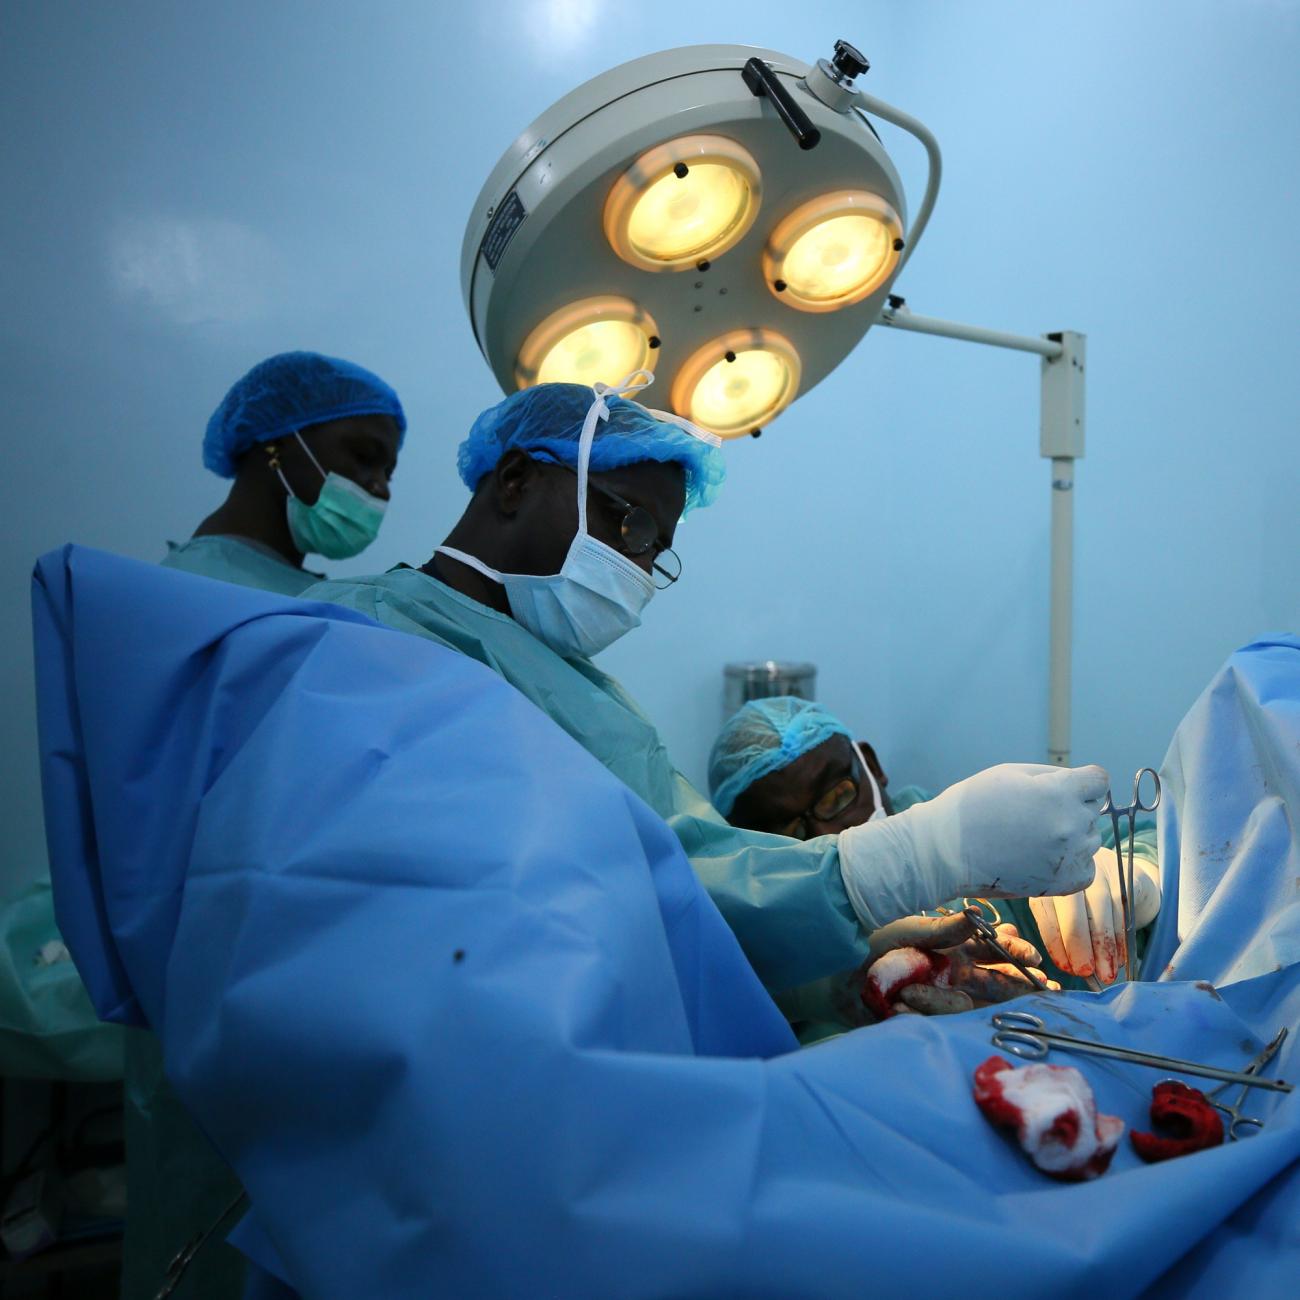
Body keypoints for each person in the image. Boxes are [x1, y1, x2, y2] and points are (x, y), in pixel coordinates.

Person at [30, 546, 1300, 1299]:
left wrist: (1129, 888)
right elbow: (676, 939)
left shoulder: (560, 705)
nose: (639, 556)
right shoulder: (409, 726)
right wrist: (884, 940)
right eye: (629, 519)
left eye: (839, 797)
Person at [303, 373, 1108, 1000]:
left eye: (659, 550)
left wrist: (859, 941)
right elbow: (624, 898)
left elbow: (693, 866)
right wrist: (915, 855)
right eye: (633, 525)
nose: (643, 568)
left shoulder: (575, 688)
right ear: (515, 480)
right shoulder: (363, 641)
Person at [129, 350, 406, 1300]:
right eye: (361, 456)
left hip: (320, 987)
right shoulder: (177, 604)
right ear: (272, 446)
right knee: (213, 1245)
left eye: (387, 472)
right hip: (229, 990)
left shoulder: (329, 610)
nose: (375, 489)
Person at [708, 695, 1161, 1029]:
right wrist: (846, 1004)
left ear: (871, 765)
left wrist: (1135, 875)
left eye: (838, 796)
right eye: (787, 836)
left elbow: (1160, 839)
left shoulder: (974, 832)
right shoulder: (771, 942)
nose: (826, 836)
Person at [162, 350, 406, 594]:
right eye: (364, 456)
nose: (381, 487)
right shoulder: (191, 590)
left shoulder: (311, 596)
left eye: (388, 473)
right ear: (277, 440)